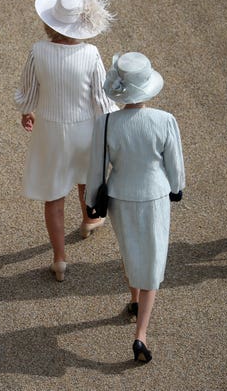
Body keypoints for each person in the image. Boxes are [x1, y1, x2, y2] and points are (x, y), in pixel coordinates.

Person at [86, 52, 185, 363]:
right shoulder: (164, 120)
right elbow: (175, 165)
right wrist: (177, 188)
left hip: (120, 196)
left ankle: (133, 300)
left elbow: (94, 169)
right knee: (152, 259)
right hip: (154, 195)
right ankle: (141, 334)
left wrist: (91, 202)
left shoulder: (105, 123)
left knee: (131, 251)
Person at [15, 0, 117, 282]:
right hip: (84, 128)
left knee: (53, 196)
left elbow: (27, 92)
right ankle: (89, 219)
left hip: (49, 129)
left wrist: (27, 111)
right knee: (86, 178)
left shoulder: (38, 51)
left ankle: (60, 260)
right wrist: (110, 123)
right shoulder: (90, 54)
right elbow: (101, 98)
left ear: (50, 23)